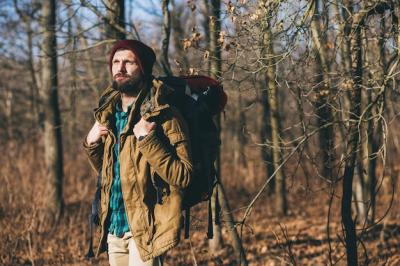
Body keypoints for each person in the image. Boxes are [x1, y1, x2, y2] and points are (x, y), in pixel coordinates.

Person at [83, 40, 193, 266]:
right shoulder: (108, 115)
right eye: (115, 61)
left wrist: (148, 140)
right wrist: (91, 144)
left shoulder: (165, 115)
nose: (119, 68)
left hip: (146, 228)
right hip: (114, 227)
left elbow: (184, 176)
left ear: (142, 68)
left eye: (128, 62)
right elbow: (115, 172)